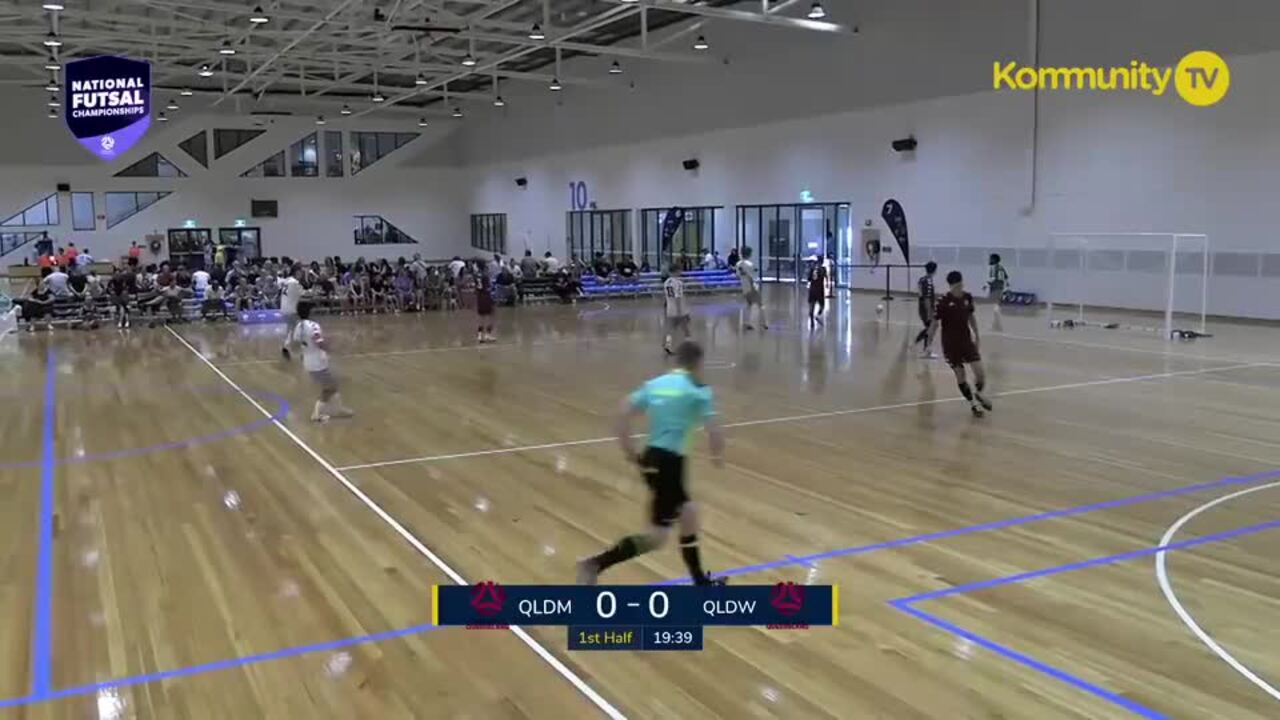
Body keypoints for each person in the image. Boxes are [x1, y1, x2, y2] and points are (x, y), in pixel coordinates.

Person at [576, 340, 726, 587]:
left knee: (688, 515)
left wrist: (629, 451)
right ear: (698, 363)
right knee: (659, 537)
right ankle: (595, 564)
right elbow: (714, 430)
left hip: (652, 459)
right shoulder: (699, 390)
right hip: (670, 463)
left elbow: (624, 410)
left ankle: (700, 582)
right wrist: (717, 455)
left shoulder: (656, 384)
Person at [927, 271, 993, 417]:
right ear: (952, 285)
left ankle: (979, 394)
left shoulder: (967, 297)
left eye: (961, 285)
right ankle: (973, 404)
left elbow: (970, 316)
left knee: (980, 373)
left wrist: (977, 335)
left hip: (966, 342)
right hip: (951, 345)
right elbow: (934, 323)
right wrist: (928, 343)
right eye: (957, 285)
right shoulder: (943, 301)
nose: (960, 287)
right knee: (960, 375)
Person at [290, 301, 354, 423]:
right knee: (330, 387)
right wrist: (333, 350)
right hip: (318, 362)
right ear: (310, 312)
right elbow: (319, 343)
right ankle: (316, 413)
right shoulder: (313, 325)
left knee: (332, 384)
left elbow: (296, 344)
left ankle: (339, 409)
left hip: (308, 361)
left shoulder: (298, 326)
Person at [736, 246, 767, 330]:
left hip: (744, 287)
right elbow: (753, 275)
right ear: (749, 254)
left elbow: (738, 275)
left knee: (748, 305)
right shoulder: (750, 264)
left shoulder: (738, 264)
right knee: (760, 305)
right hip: (752, 286)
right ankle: (763, 323)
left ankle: (747, 323)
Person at [663, 267, 690, 355]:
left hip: (669, 308)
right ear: (676, 271)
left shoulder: (666, 282)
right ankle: (689, 346)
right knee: (685, 327)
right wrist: (680, 311)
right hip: (679, 308)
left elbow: (666, 297)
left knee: (671, 328)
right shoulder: (678, 283)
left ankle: (668, 344)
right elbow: (678, 297)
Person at [915, 261, 938, 356]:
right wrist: (929, 312)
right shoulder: (928, 282)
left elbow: (921, 294)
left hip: (922, 307)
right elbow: (926, 298)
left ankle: (924, 347)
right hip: (925, 308)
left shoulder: (922, 279)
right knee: (931, 327)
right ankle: (925, 350)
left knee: (931, 327)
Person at [280, 266, 304, 359]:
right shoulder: (294, 282)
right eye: (300, 272)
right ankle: (302, 351)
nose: (301, 274)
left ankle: (286, 347)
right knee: (300, 329)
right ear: (296, 272)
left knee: (291, 330)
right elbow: (302, 294)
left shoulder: (287, 281)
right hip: (291, 309)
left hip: (284, 308)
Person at [986, 252, 1009, 328]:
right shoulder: (999, 268)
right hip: (998, 289)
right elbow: (1005, 278)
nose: (989, 260)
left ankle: (996, 324)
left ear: (994, 260)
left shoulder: (996, 268)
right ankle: (996, 323)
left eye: (991, 259)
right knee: (996, 306)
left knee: (995, 306)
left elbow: (997, 279)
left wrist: (987, 284)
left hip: (996, 289)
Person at [476, 264, 496, 342]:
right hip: (486, 296)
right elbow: (488, 288)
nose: (488, 271)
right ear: (484, 269)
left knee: (481, 317)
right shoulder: (485, 277)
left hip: (480, 297)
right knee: (491, 316)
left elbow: (478, 288)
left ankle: (480, 335)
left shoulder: (478, 275)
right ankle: (488, 334)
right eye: (487, 269)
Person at [807, 256, 827, 327]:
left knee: (812, 305)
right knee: (822, 305)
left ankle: (812, 319)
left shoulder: (812, 269)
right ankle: (817, 315)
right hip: (819, 290)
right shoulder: (823, 269)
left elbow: (809, 279)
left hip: (812, 289)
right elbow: (824, 276)